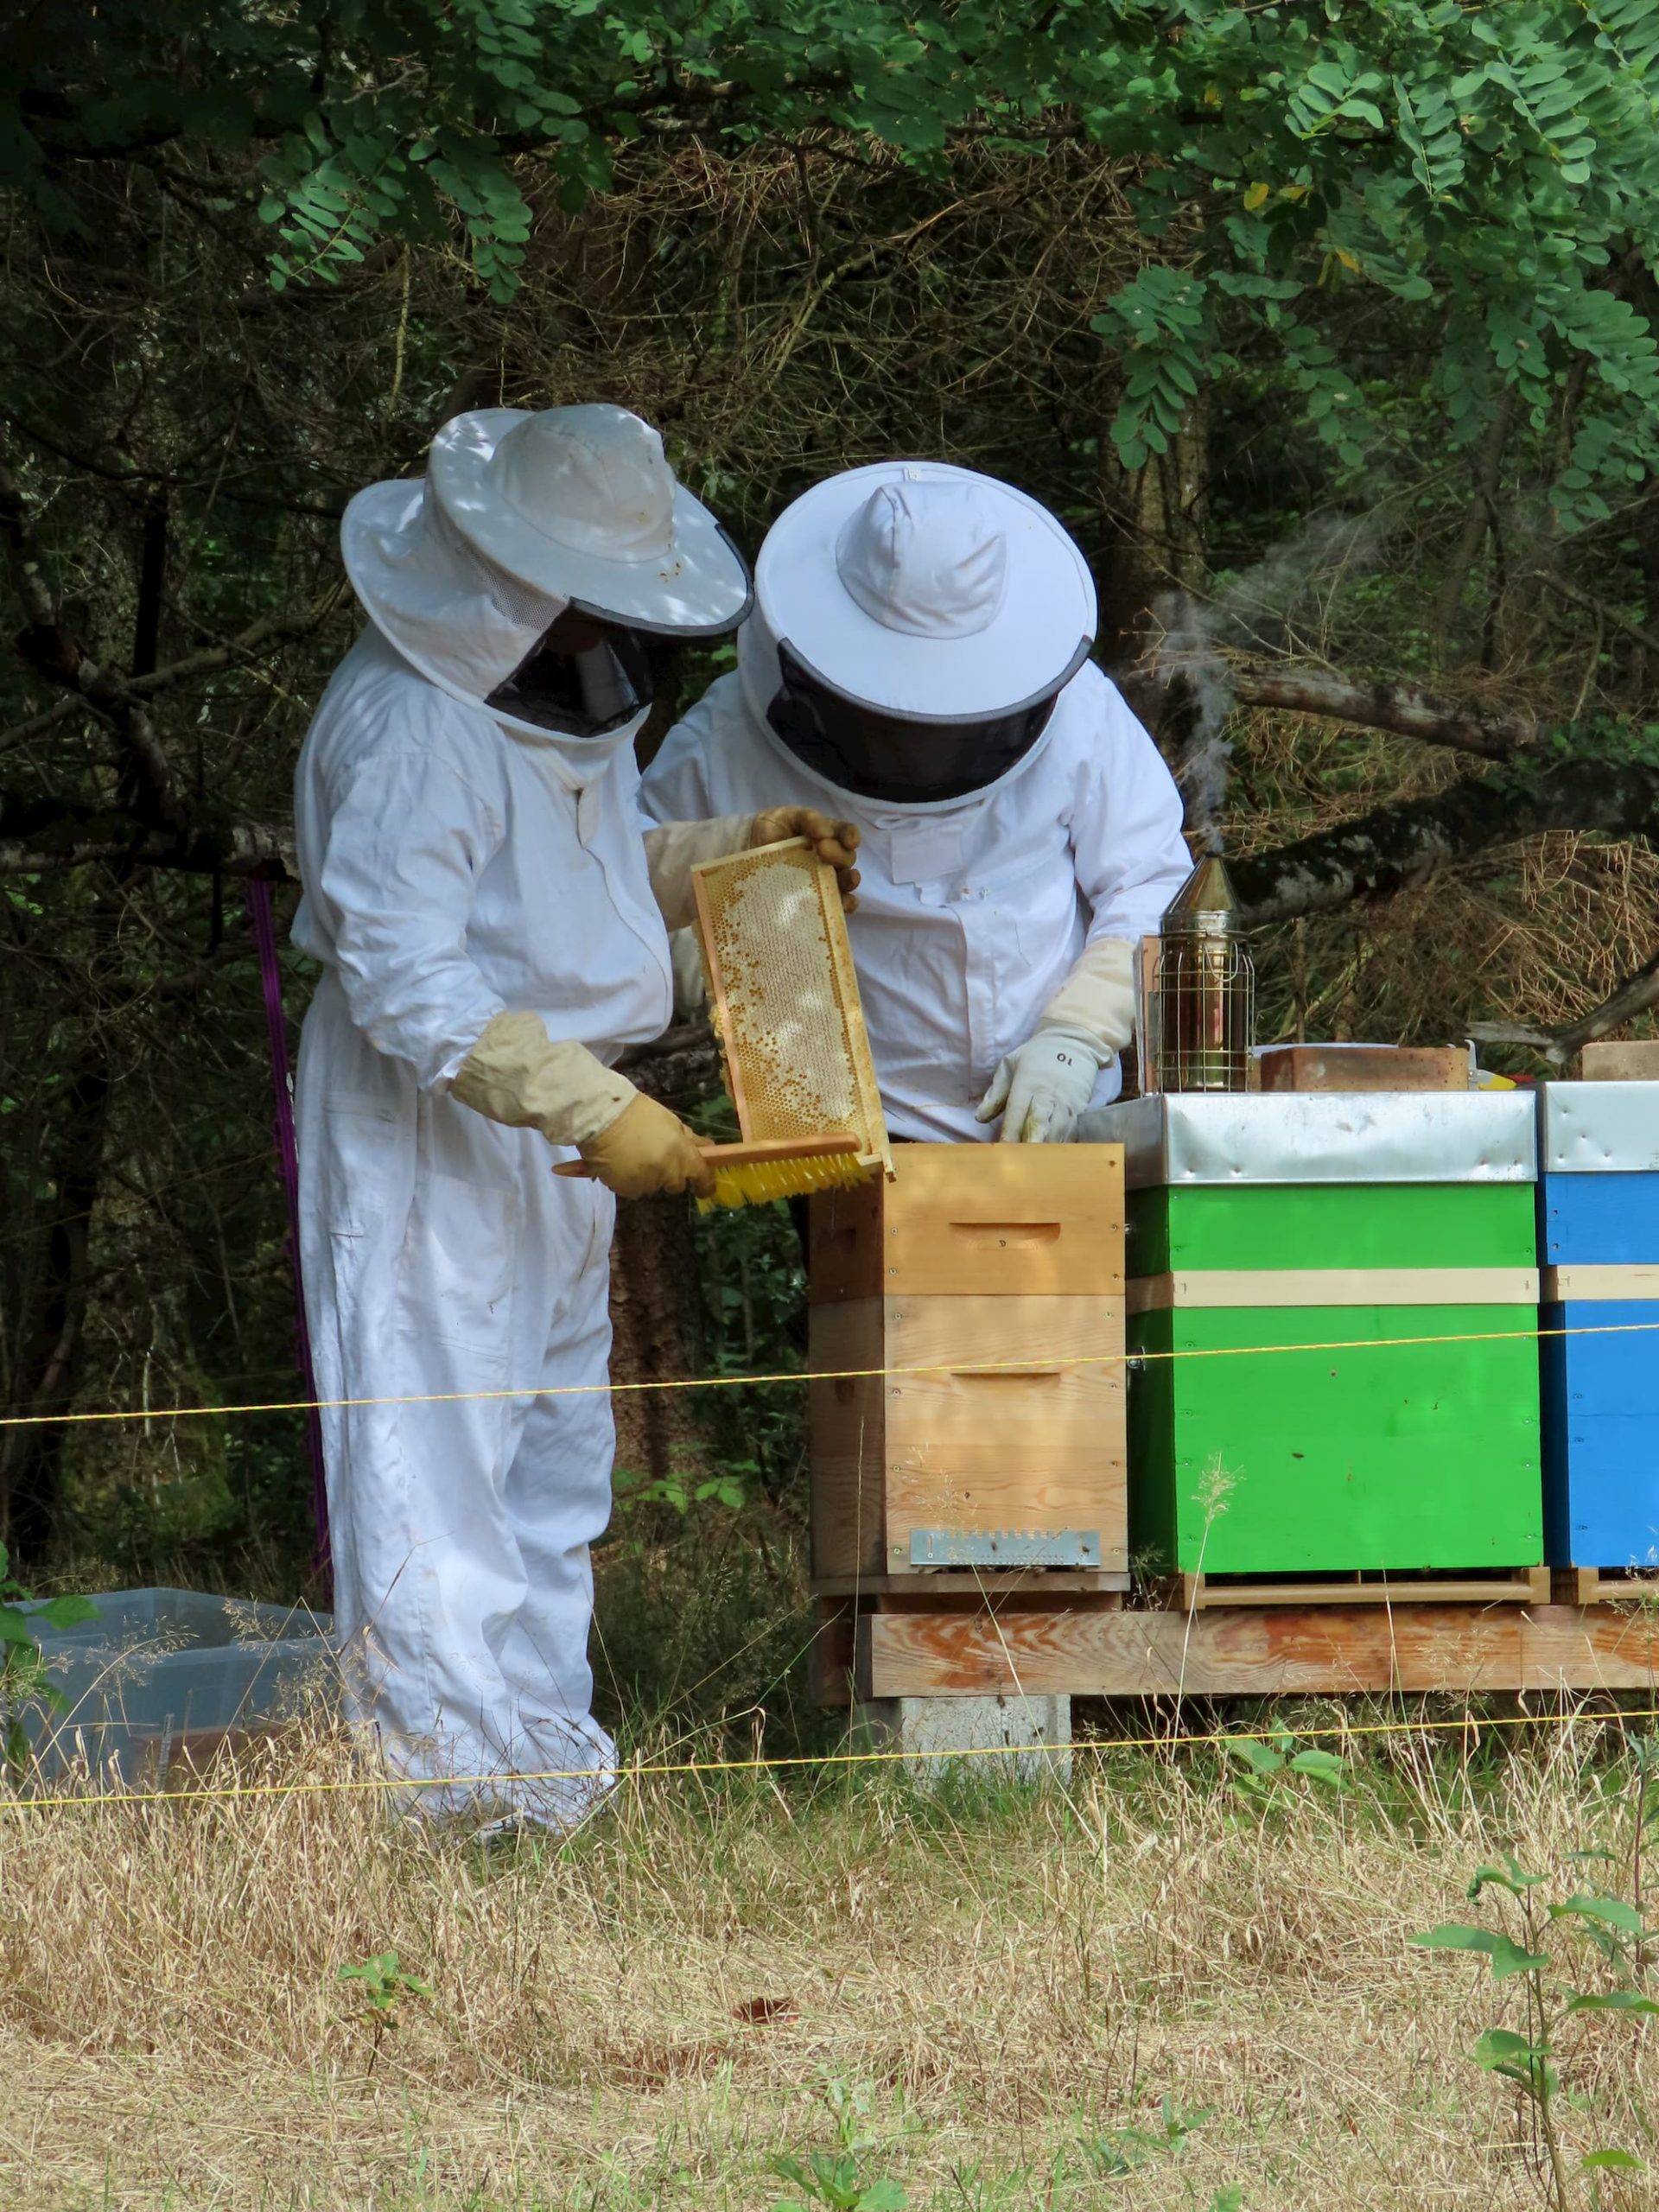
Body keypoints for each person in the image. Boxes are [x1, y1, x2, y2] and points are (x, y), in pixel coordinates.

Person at [292, 404, 855, 1828]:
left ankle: (540, 1785)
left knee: (549, 1459)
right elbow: (406, 976)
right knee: (436, 1460)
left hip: (546, 1127)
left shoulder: (547, 690)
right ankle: (447, 1803)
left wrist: (732, 852)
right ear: (505, 582)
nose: (608, 639)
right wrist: (591, 1107)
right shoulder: (410, 722)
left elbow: (569, 869)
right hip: (434, 1122)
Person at [641, 461, 1192, 1144]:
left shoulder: (1079, 707)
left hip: (1067, 1113)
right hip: (848, 1133)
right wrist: (712, 958)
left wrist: (1077, 1037)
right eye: (889, 721)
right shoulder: (722, 741)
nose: (916, 741)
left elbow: (1147, 877)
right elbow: (631, 883)